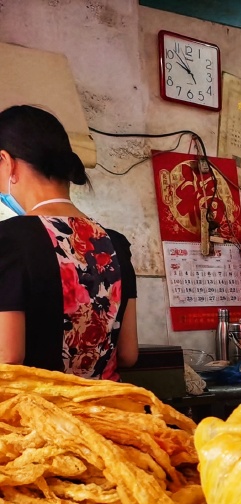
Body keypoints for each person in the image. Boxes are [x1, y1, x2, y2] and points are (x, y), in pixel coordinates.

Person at [0, 105, 137, 379]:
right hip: (109, 412)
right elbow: (128, 354)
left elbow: (8, 357)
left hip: (41, 416)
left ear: (7, 162)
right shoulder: (116, 244)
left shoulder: (8, 239)